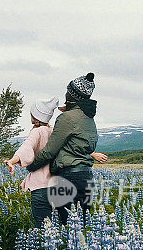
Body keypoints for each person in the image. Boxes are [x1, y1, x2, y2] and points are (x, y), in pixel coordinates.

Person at [5, 96, 107, 227]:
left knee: (43, 227)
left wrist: (13, 161)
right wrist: (92, 154)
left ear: (35, 116)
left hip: (40, 187)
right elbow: (72, 146)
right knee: (60, 226)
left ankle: (45, 247)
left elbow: (26, 148)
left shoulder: (37, 132)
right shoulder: (55, 131)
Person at [25, 73, 100, 225]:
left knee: (66, 228)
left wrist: (31, 165)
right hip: (86, 177)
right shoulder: (88, 118)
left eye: (68, 91)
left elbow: (50, 151)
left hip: (68, 177)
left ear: (73, 95)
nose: (65, 94)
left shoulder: (67, 118)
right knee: (83, 226)